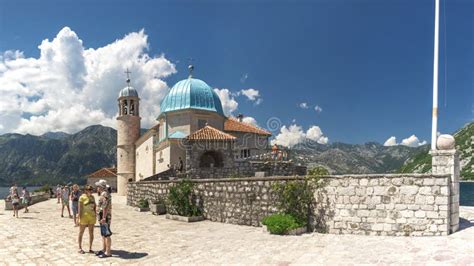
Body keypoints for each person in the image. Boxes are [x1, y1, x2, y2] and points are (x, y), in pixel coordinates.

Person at [95, 179, 112, 258]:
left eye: (98, 186)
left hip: (104, 216)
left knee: (106, 234)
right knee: (103, 234)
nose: (97, 188)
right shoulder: (104, 193)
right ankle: (104, 249)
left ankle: (108, 252)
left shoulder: (104, 194)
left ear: (101, 187)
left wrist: (104, 217)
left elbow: (105, 207)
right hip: (102, 216)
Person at [78, 185, 96, 254]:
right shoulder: (82, 197)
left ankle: (90, 248)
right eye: (89, 189)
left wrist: (95, 214)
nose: (91, 191)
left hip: (92, 217)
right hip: (83, 217)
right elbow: (79, 208)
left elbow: (94, 206)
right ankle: (80, 248)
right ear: (85, 190)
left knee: (91, 233)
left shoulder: (92, 197)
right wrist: (78, 218)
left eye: (91, 189)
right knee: (81, 232)